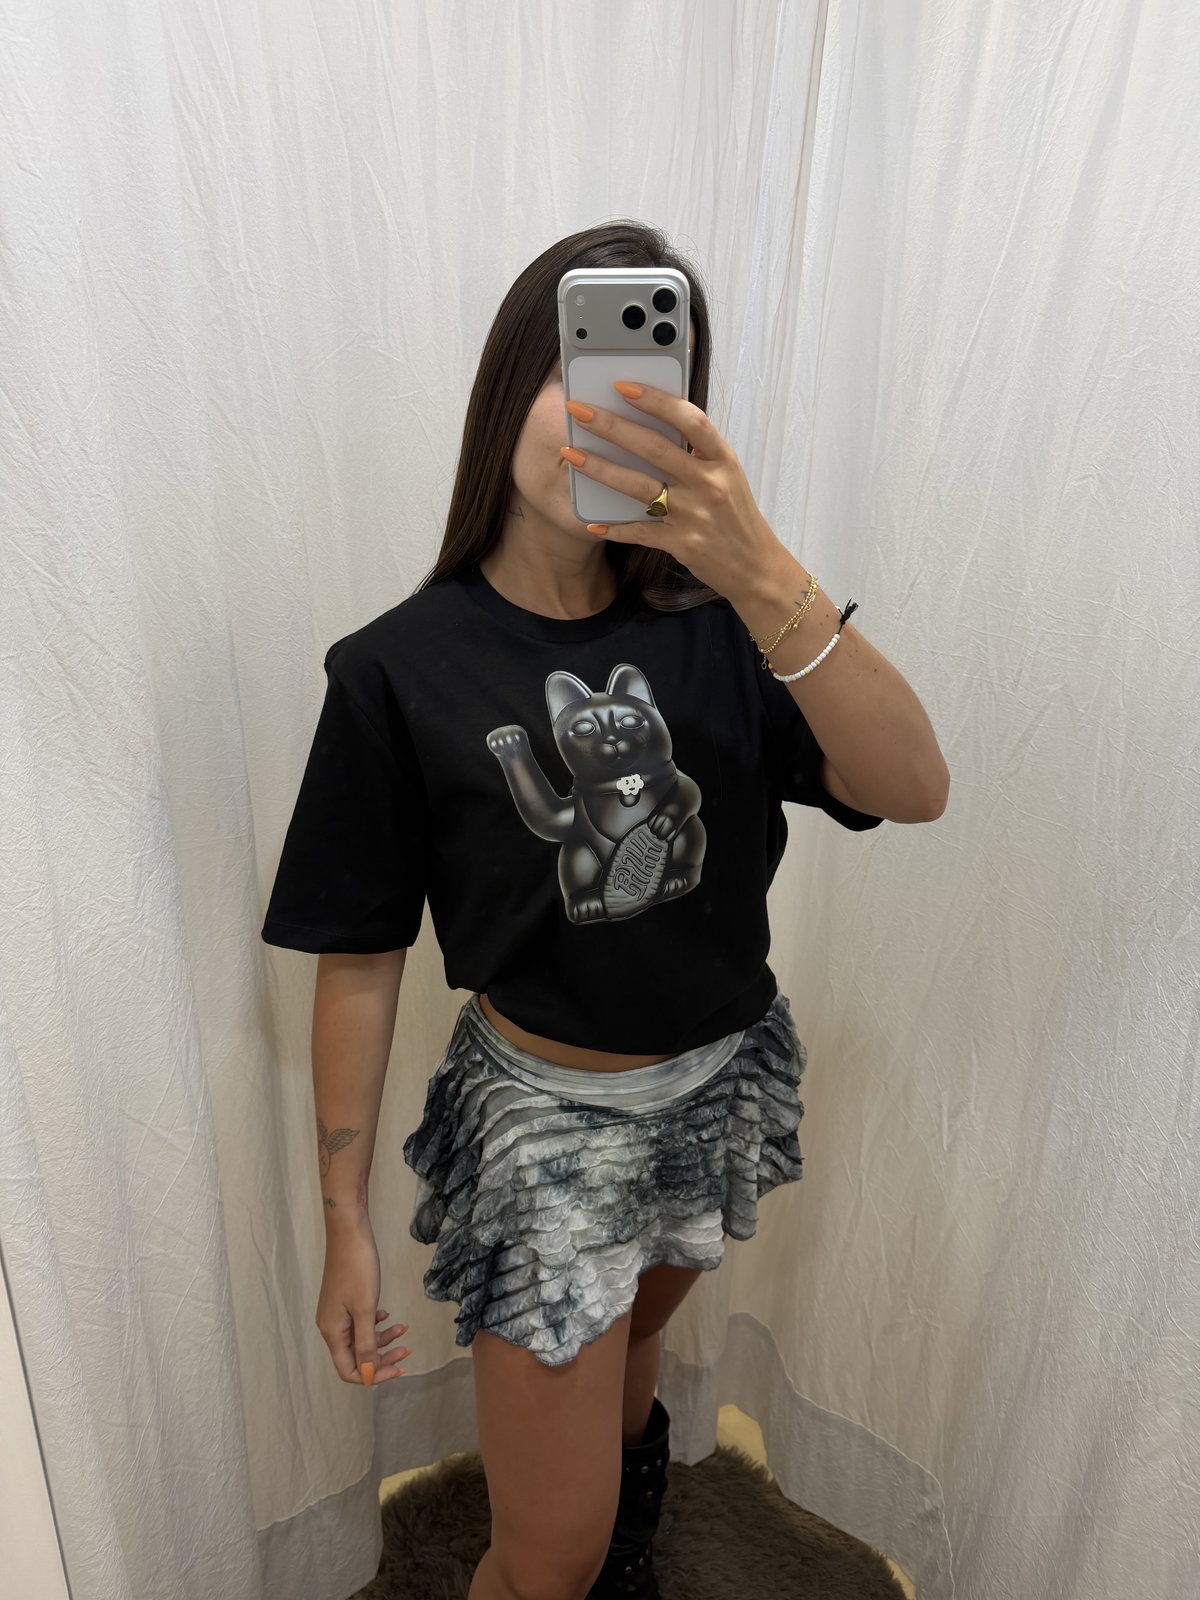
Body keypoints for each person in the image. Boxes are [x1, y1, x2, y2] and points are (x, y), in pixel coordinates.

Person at [260, 223, 949, 1600]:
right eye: (580, 372)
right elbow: (360, 953)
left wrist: (760, 568)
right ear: (510, 384)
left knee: (633, 1350)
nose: (608, 416)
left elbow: (913, 787)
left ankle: (632, 1540)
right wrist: (342, 1218)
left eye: (652, 388)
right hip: (551, 1141)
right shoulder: (395, 670)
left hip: (722, 1084)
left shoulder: (730, 623)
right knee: (546, 1556)